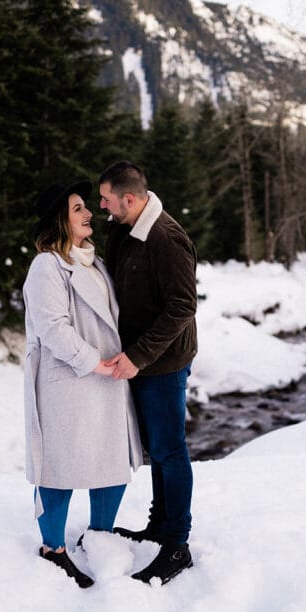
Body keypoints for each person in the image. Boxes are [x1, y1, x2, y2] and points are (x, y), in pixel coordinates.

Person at [23, 178, 143, 589]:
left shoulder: (93, 262)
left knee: (109, 462)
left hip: (106, 378)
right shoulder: (46, 266)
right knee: (60, 466)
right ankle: (52, 549)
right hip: (70, 381)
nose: (89, 212)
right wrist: (94, 362)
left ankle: (100, 536)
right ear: (60, 220)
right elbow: (52, 328)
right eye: (78, 208)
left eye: (86, 207)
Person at [98, 161, 197, 585]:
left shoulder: (166, 238)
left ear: (130, 199)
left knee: (171, 449)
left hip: (164, 362)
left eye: (106, 199)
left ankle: (177, 544)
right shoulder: (126, 229)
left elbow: (182, 306)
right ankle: (159, 526)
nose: (102, 206)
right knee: (158, 448)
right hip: (142, 359)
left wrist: (138, 356)